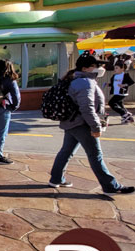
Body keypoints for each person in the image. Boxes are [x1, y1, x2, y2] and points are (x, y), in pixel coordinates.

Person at [49, 54, 134, 194]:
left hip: (72, 122)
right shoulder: (85, 82)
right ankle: (110, 186)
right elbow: (87, 108)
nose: (100, 68)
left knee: (66, 152)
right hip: (82, 124)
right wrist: (95, 126)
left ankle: (56, 179)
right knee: (95, 155)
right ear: (85, 68)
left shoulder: (76, 80)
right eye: (96, 66)